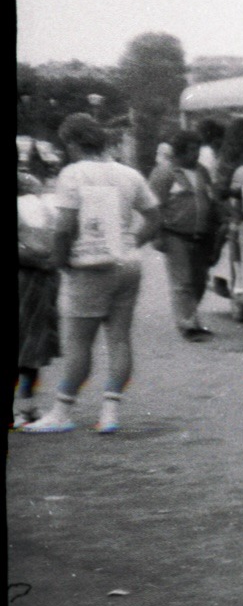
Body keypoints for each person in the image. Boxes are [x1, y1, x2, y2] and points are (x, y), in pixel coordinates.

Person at [24, 114, 159, 434]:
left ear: (72, 142)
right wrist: (131, 242)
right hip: (127, 262)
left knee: (79, 343)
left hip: (89, 267)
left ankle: (61, 411)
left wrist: (57, 262)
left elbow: (65, 227)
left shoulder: (73, 174)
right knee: (120, 338)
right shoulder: (129, 174)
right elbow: (154, 216)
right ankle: (110, 413)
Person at [149, 128, 218, 339]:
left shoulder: (202, 171)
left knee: (199, 280)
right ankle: (188, 324)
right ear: (179, 152)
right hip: (174, 233)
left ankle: (191, 315)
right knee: (183, 282)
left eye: (197, 149)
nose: (195, 154)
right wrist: (156, 235)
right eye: (190, 150)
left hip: (201, 234)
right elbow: (154, 206)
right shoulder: (165, 173)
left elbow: (210, 197)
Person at [15, 172, 61, 426]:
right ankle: (28, 407)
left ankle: (27, 406)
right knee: (32, 342)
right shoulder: (46, 207)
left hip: (26, 276)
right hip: (42, 280)